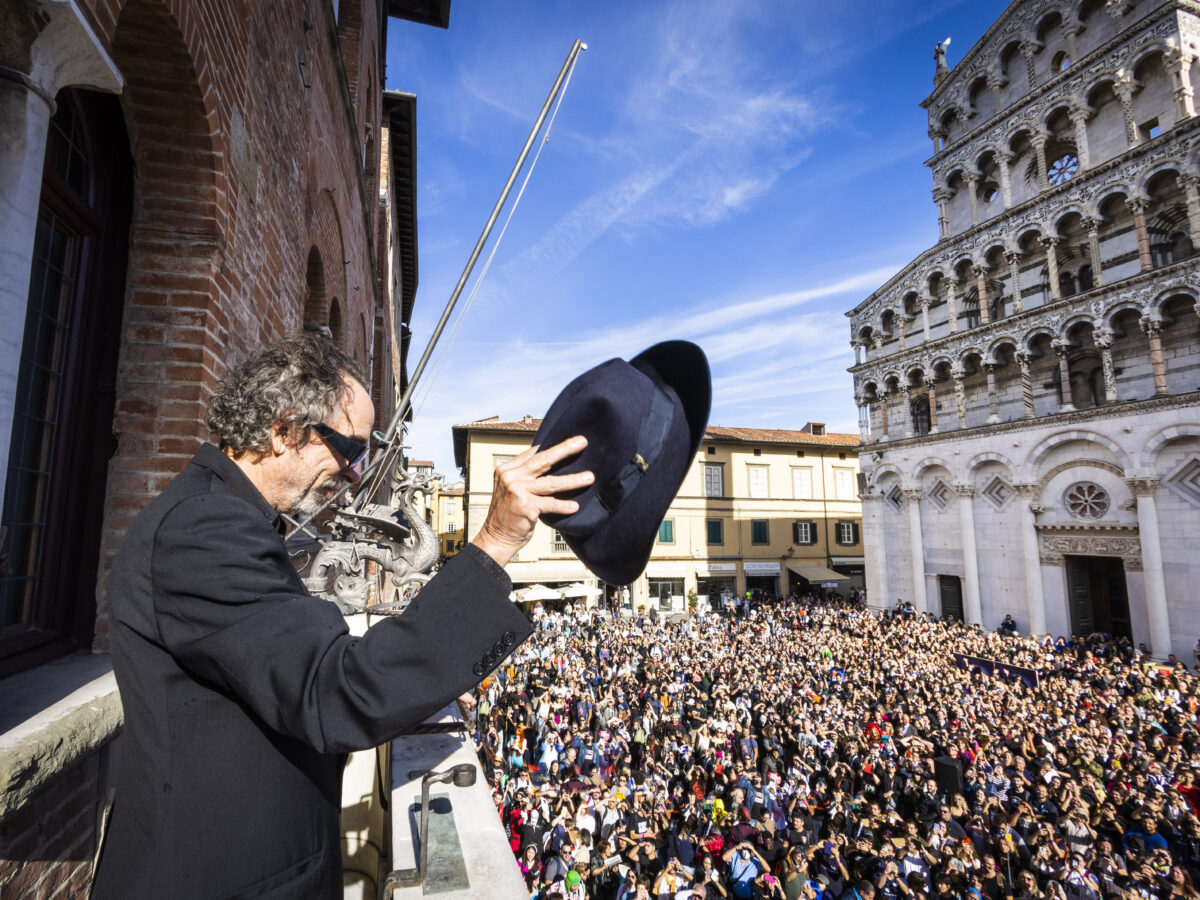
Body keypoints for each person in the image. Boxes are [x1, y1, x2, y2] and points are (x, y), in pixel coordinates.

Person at [90, 334, 594, 898]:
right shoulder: (205, 529)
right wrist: (496, 540)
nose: (357, 473)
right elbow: (337, 690)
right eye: (349, 449)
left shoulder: (226, 518)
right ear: (283, 431)